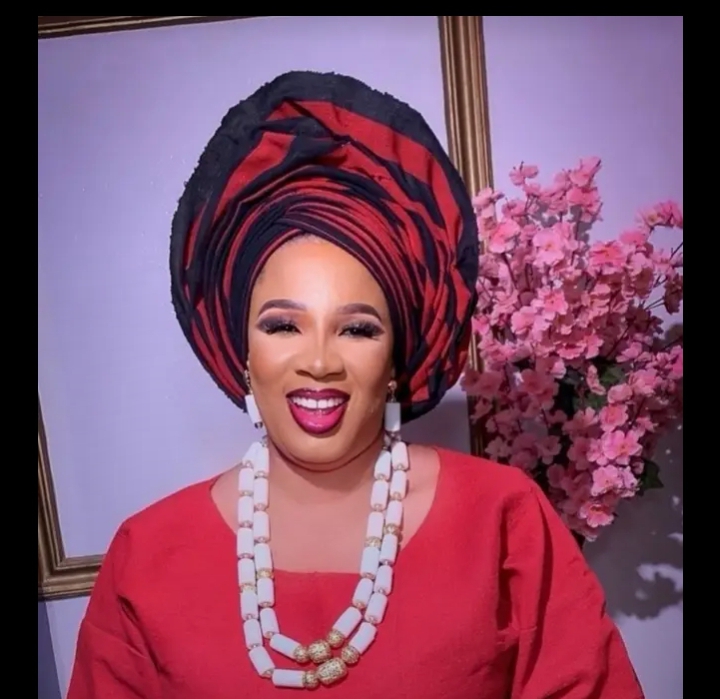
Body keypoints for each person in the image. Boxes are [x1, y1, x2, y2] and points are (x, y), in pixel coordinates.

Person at [66, 71, 644, 698]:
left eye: (357, 329)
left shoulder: (503, 522)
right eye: (283, 325)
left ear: (395, 361)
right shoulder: (148, 555)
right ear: (242, 353)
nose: (320, 362)